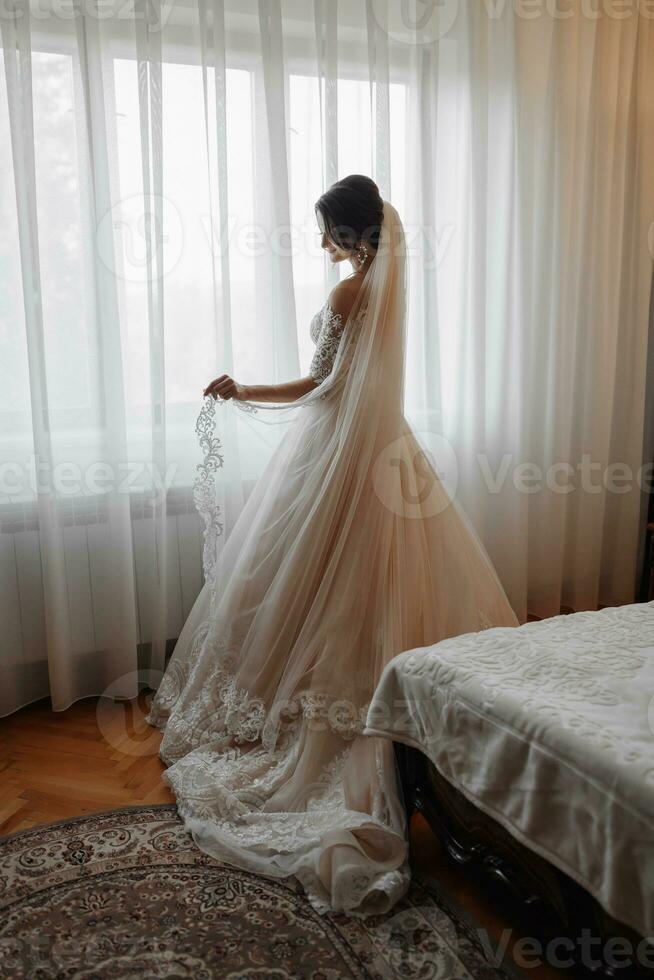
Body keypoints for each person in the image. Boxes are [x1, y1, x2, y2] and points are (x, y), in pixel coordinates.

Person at [145, 174, 519, 916]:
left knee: (304, 585)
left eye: (326, 232)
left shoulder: (351, 295)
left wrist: (242, 389)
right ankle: (413, 706)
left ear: (352, 236)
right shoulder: (388, 291)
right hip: (386, 454)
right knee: (378, 587)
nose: (320, 244)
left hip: (339, 459)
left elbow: (320, 389)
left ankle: (313, 713)